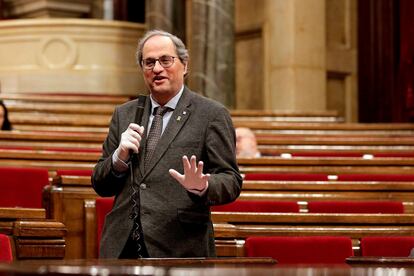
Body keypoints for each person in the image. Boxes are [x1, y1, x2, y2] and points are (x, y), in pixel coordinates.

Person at [92, 30, 242, 259]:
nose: (157, 69)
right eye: (149, 62)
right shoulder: (125, 114)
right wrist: (118, 159)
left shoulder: (211, 114)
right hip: (121, 246)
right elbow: (101, 184)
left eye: (166, 60)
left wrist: (203, 185)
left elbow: (231, 180)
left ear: (185, 64)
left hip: (180, 245)